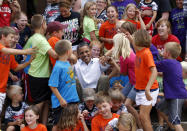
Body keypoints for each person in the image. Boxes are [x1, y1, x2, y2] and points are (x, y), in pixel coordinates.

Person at [23, 14, 58, 125]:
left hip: (41, 75)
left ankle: (42, 126)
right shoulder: (40, 39)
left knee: (46, 102)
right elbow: (55, 55)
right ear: (43, 24)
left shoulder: (35, 37)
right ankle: (30, 126)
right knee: (39, 104)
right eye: (46, 23)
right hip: (38, 76)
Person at [110, 32, 143, 130]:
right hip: (133, 81)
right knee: (121, 98)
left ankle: (139, 127)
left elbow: (123, 73)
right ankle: (124, 121)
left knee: (128, 104)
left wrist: (114, 63)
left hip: (137, 83)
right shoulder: (129, 52)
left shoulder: (124, 57)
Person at [128, 29, 159, 131]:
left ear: (140, 39)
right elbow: (135, 47)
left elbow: (154, 71)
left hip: (149, 89)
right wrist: (130, 38)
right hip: (141, 89)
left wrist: (147, 88)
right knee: (143, 117)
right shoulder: (139, 51)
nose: (134, 38)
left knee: (144, 117)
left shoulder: (146, 53)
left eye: (135, 37)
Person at [0, 26, 35, 117]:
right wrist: (25, 51)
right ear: (3, 36)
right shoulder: (3, 48)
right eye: (11, 37)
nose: (13, 39)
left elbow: (15, 67)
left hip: (2, 89)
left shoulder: (9, 52)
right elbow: (5, 50)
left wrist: (28, 62)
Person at [48, 40, 80, 131]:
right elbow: (52, 85)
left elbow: (74, 59)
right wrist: (61, 99)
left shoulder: (67, 62)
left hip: (72, 99)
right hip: (62, 103)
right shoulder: (58, 66)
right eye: (71, 49)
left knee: (71, 122)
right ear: (68, 52)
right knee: (58, 124)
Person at [155, 42, 187, 131]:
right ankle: (172, 128)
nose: (162, 51)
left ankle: (175, 127)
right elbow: (166, 74)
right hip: (172, 95)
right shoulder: (176, 63)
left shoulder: (167, 62)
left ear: (168, 53)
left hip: (176, 95)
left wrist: (154, 53)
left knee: (176, 121)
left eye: (163, 50)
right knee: (160, 107)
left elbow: (152, 64)